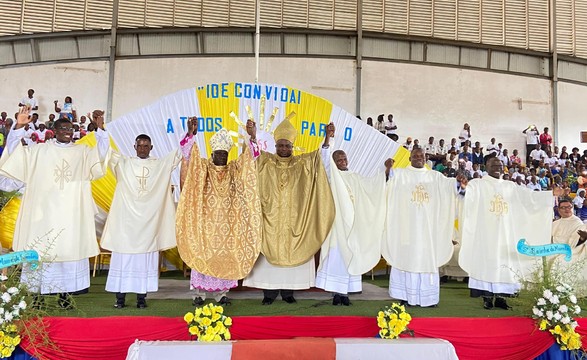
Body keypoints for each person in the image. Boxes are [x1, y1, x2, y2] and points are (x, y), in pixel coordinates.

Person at [0, 107, 110, 309]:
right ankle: (37, 296)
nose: (68, 132)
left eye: (71, 129)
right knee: (40, 252)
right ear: (55, 131)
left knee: (67, 251)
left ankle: (65, 295)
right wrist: (18, 127)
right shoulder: (39, 151)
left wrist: (101, 129)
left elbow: (102, 154)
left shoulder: (82, 152)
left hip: (70, 215)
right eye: (64, 128)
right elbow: (14, 154)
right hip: (42, 215)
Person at [243, 118, 335, 305]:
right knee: (268, 260)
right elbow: (252, 158)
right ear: (275, 145)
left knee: (293, 257)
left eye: (287, 145)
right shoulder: (266, 161)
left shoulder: (302, 163)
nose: (284, 149)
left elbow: (320, 160)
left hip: (295, 220)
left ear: (292, 146)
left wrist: (327, 139)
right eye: (280, 145)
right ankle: (268, 294)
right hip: (270, 220)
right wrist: (252, 137)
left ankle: (288, 293)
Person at [176, 118, 262, 306]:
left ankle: (222, 294)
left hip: (228, 223)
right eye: (218, 154)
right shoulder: (203, 167)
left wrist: (252, 136)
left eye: (224, 154)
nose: (221, 157)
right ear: (212, 153)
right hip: (205, 221)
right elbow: (188, 155)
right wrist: (191, 135)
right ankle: (198, 294)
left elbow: (250, 159)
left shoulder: (234, 169)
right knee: (201, 253)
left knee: (226, 256)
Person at [459, 157, 562, 310]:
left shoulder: (510, 186)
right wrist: (463, 188)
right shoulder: (478, 184)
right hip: (486, 234)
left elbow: (529, 198)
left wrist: (549, 194)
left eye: (500, 165)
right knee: (487, 263)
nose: (497, 167)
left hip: (506, 233)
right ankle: (487, 298)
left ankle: (501, 299)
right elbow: (467, 195)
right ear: (486, 166)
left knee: (504, 265)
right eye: (493, 165)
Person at [101, 134, 180, 309]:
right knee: (123, 260)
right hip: (126, 226)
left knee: (143, 262)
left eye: (146, 146)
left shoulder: (159, 165)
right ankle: (119, 299)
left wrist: (188, 135)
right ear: (134, 146)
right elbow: (106, 151)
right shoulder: (124, 163)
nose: (143, 149)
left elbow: (176, 155)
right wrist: (100, 131)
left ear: (151, 148)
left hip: (147, 226)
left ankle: (141, 298)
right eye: (140, 145)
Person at [382, 147, 467, 307]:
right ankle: (405, 295)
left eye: (421, 156)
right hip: (407, 228)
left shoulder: (435, 177)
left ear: (426, 158)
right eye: (415, 156)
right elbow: (388, 181)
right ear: (410, 158)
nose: (419, 158)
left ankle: (428, 298)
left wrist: (458, 182)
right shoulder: (401, 174)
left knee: (427, 260)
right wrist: (388, 169)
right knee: (406, 259)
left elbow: (451, 188)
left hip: (428, 230)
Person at [316, 145, 392, 306]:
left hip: (353, 225)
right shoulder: (331, 177)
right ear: (334, 163)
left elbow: (372, 186)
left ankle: (346, 294)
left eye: (344, 159)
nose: (342, 162)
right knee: (337, 258)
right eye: (339, 160)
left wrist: (386, 170)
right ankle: (337, 294)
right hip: (337, 226)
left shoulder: (355, 177)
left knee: (350, 257)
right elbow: (325, 161)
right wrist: (328, 140)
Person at [550, 199, 587, 294]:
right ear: (558, 210)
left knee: (560, 261)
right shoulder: (555, 223)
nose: (567, 209)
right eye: (563, 207)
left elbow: (578, 242)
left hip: (571, 250)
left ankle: (563, 289)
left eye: (569, 207)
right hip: (553, 249)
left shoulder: (577, 222)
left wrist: (582, 239)